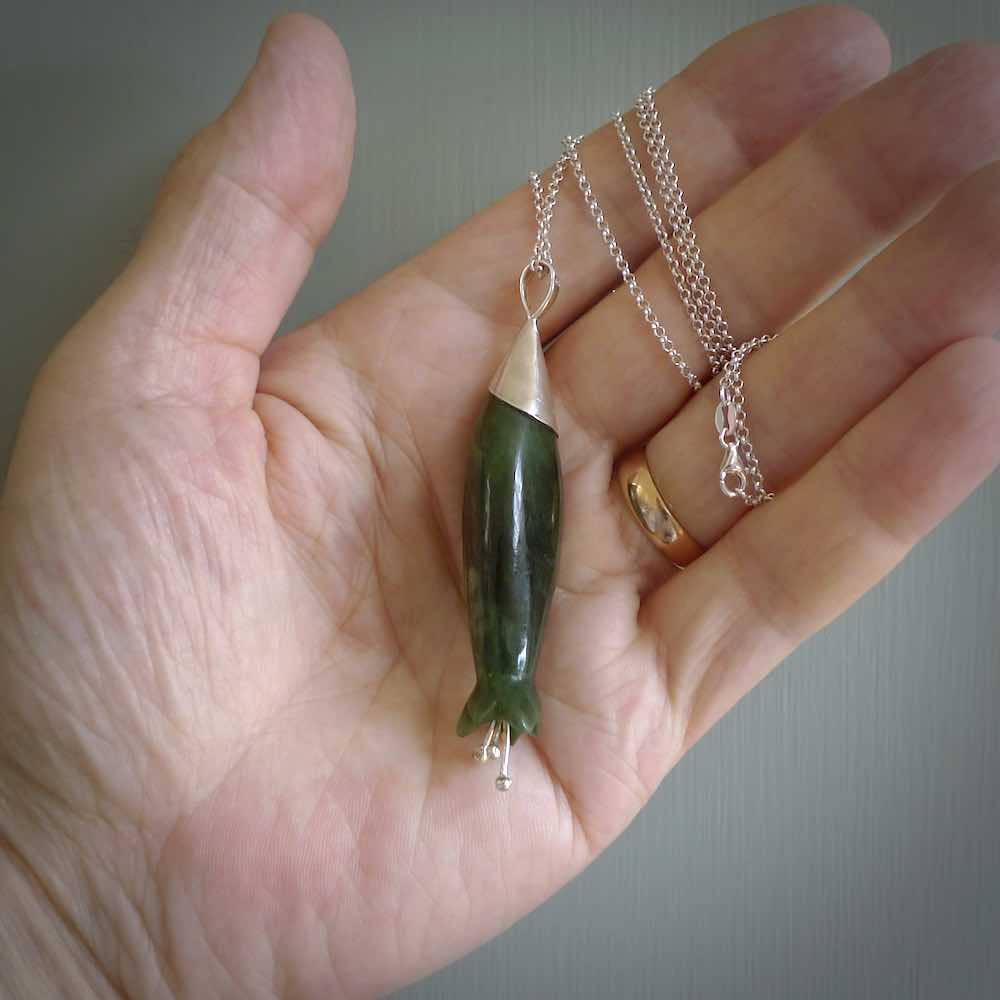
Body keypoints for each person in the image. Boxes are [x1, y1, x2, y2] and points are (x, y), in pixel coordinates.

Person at [1, 7, 998, 998]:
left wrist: (76, 930)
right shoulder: (510, 425)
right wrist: (60, 892)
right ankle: (501, 689)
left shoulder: (515, 428)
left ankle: (503, 687)